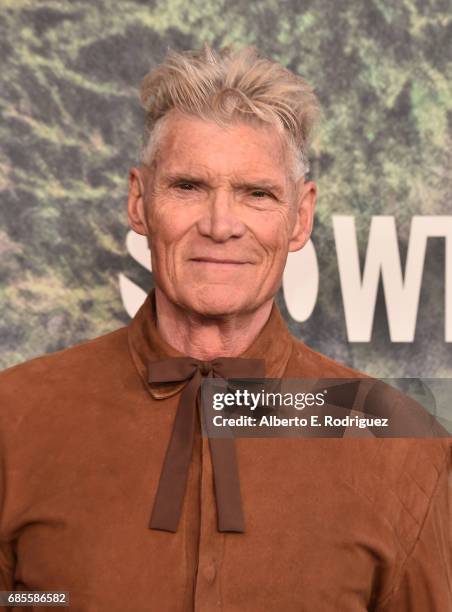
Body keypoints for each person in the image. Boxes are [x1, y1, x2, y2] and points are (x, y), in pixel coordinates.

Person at [0, 44, 450, 611]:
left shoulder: (395, 438)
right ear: (139, 202)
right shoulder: (14, 417)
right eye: (188, 187)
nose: (220, 225)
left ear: (300, 216)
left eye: (256, 194)